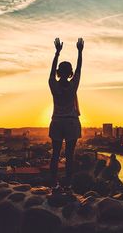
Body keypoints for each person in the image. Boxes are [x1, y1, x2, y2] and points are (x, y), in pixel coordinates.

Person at [49, 37, 84, 189]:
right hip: (71, 122)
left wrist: (57, 53)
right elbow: (79, 68)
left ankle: (53, 184)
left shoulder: (53, 85)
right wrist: (80, 52)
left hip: (57, 121)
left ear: (58, 73)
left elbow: (51, 72)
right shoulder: (73, 86)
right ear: (70, 73)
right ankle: (68, 185)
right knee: (70, 156)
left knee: (55, 155)